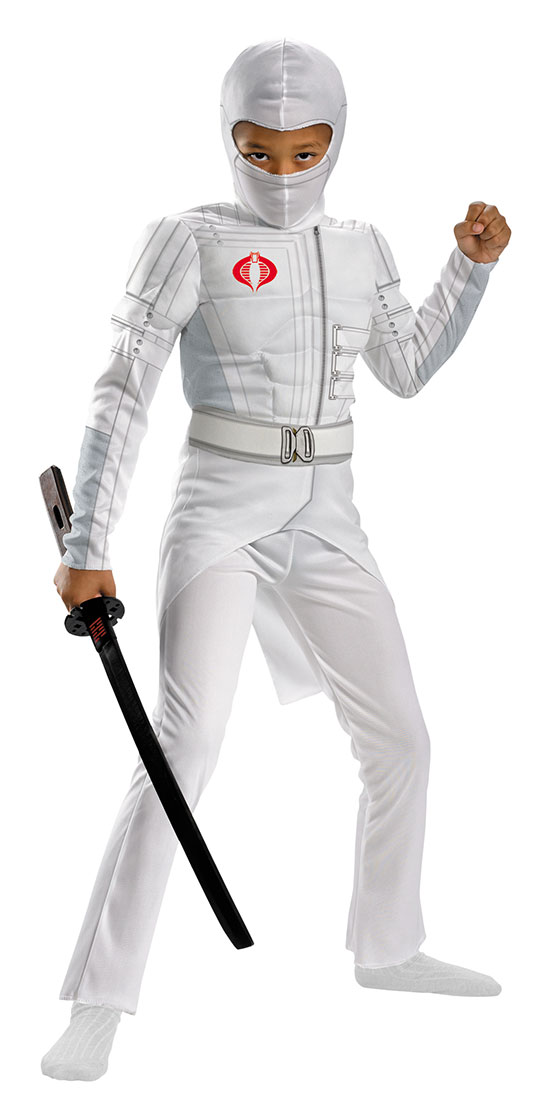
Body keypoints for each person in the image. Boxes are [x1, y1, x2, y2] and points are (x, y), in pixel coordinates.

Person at [41, 38, 511, 1081]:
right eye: (261, 150)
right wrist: (88, 543)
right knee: (182, 747)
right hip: (219, 506)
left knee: (403, 738)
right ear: (229, 138)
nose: (285, 171)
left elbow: (405, 368)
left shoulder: (361, 245)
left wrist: (468, 271)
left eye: (307, 151)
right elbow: (123, 390)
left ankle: (388, 945)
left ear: (337, 143)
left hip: (328, 510)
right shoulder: (186, 240)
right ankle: (99, 1000)